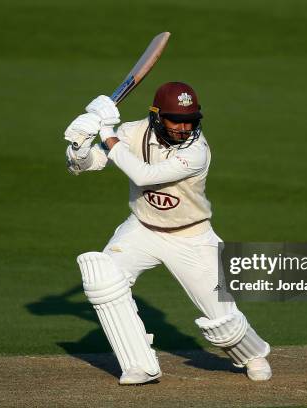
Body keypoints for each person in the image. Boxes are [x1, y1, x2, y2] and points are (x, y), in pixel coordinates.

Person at [64, 82, 271, 385]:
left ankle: (253, 355)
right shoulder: (133, 132)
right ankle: (139, 365)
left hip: (192, 236)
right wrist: (79, 146)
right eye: (176, 119)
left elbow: (143, 175)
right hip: (142, 228)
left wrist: (107, 131)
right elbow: (87, 165)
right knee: (103, 277)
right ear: (157, 116)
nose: (184, 127)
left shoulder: (197, 150)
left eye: (190, 120)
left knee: (222, 322)